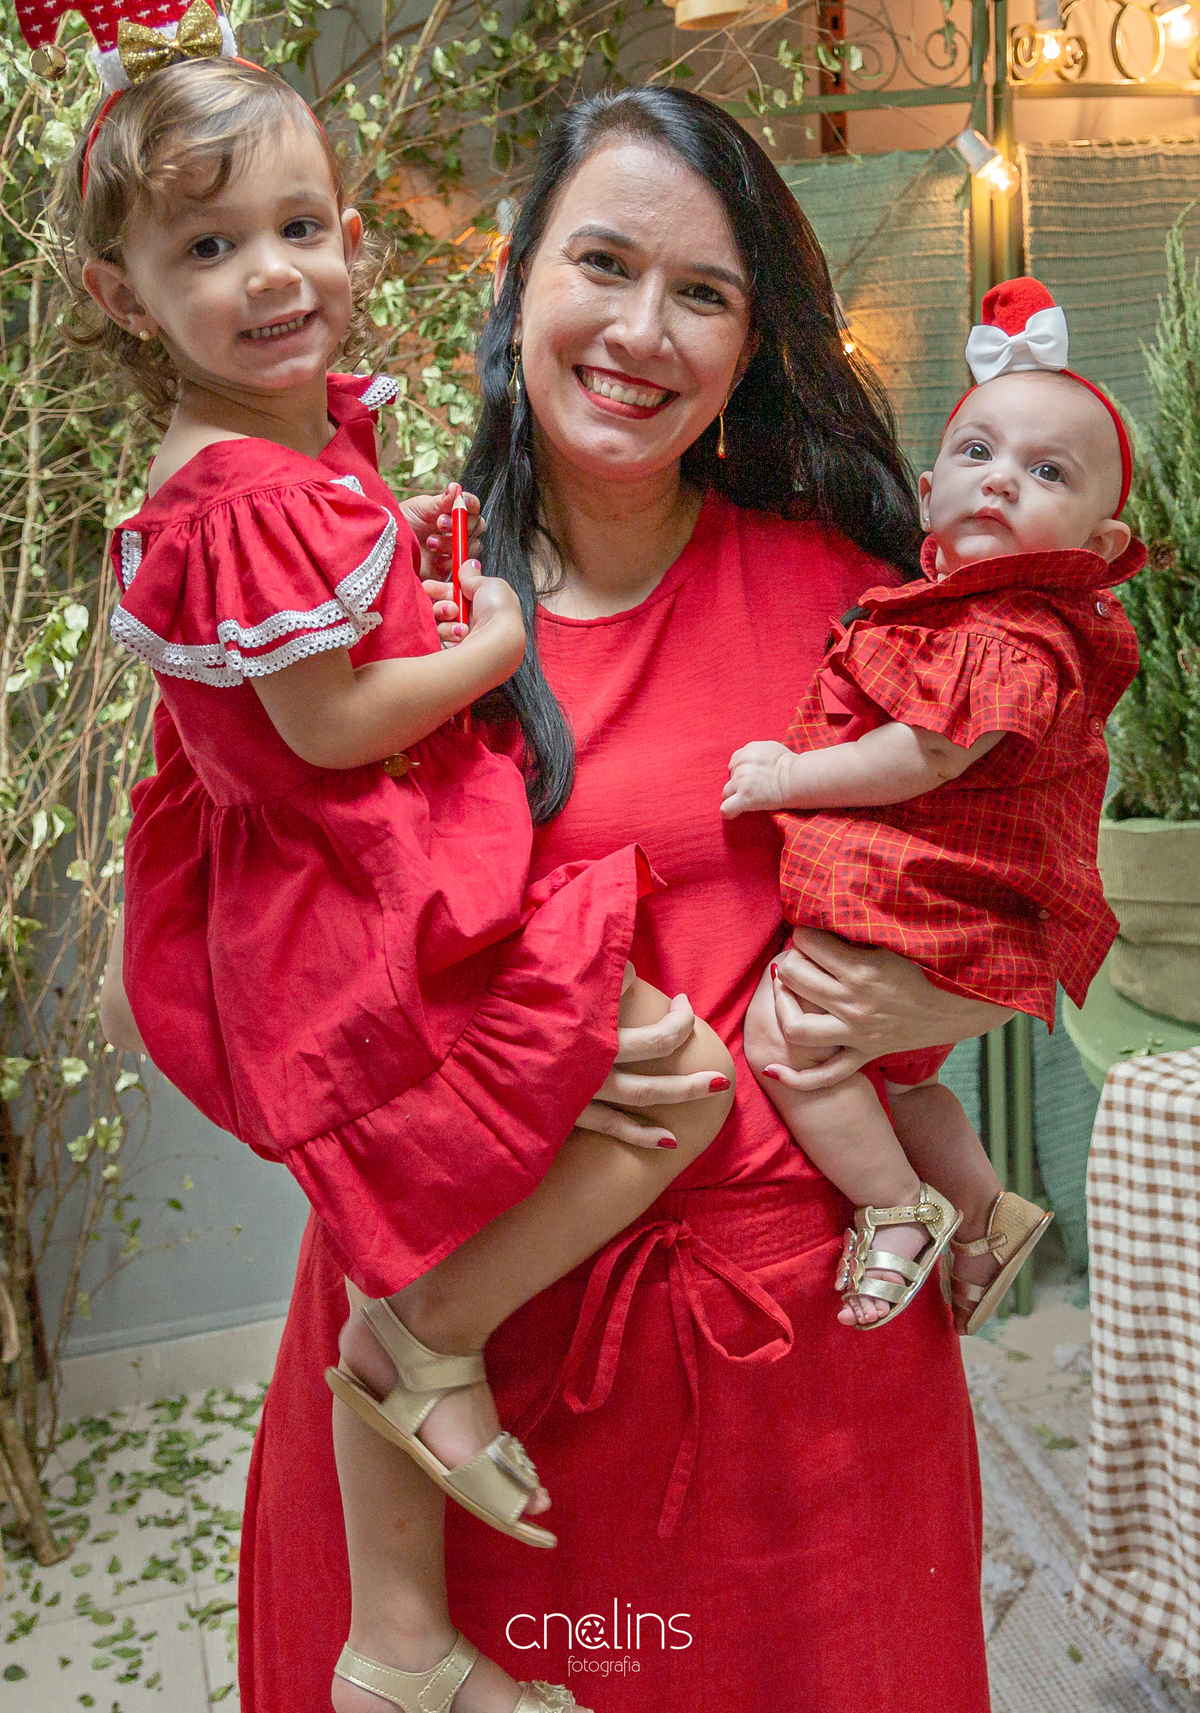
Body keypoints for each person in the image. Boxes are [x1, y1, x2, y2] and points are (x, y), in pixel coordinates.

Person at [221, 87, 1005, 1713]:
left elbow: (1018, 894)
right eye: (603, 264)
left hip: (792, 1398)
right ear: (519, 278)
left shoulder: (856, 596)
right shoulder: (361, 604)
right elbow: (202, 980)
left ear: (753, 340)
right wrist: (475, 1061)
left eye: (703, 291)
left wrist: (940, 997)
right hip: (446, 1370)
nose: (643, 332)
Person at [25, 0, 735, 1711]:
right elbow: (330, 721)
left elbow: (309, 663)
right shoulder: (235, 486)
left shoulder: (277, 446)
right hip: (362, 898)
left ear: (348, 230)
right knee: (660, 1088)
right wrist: (491, 637)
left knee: (588, 1110)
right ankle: (428, 1343)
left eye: (297, 226)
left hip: (356, 867)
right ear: (122, 293)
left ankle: (400, 1640)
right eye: (207, 248)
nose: (272, 275)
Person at [722, 275, 1146, 1334]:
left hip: (923, 905)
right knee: (902, 1087)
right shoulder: (947, 615)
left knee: (784, 1040)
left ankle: (898, 1209)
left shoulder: (1016, 633)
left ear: (1099, 547)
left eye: (1047, 472)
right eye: (978, 453)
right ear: (924, 496)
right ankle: (985, 1212)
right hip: (922, 915)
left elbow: (923, 755)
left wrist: (788, 779)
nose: (1001, 479)